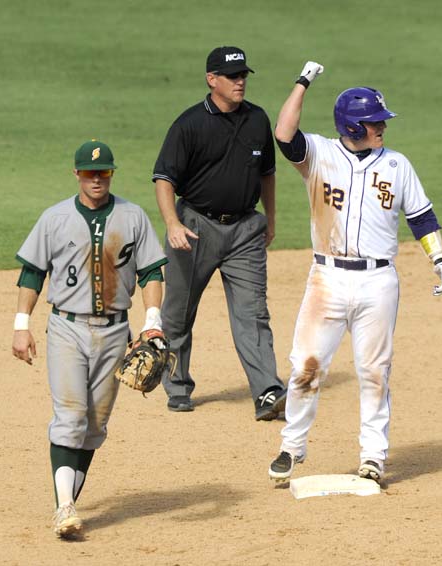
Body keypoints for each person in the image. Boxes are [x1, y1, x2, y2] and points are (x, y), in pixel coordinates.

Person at [268, 62, 442, 485]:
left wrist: (438, 257)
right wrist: (302, 82)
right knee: (305, 367)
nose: (382, 128)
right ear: (352, 127)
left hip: (378, 281)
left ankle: (373, 456)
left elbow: (422, 217)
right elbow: (284, 134)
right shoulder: (319, 155)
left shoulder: (397, 166)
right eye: (375, 123)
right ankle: (292, 446)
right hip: (326, 279)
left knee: (374, 371)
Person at [11, 140, 168, 539]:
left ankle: (68, 501)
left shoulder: (133, 216)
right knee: (70, 415)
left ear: (111, 174)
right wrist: (20, 323)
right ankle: (64, 507)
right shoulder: (55, 218)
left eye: (103, 172)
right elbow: (32, 272)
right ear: (76, 174)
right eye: (89, 172)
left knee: (95, 425)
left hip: (116, 331)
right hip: (67, 328)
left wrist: (152, 321)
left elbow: (151, 272)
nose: (96, 178)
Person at [152, 46, 286, 420]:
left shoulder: (258, 120)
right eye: (232, 76)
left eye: (243, 74)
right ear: (212, 80)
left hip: (245, 230)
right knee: (178, 314)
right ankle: (177, 387)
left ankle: (267, 391)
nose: (240, 81)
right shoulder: (189, 124)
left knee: (253, 314)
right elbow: (164, 180)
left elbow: (267, 175)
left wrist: (270, 218)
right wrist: (173, 224)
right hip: (195, 227)